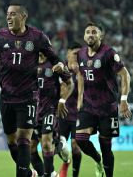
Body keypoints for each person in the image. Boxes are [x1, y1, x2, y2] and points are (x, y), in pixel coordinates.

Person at [0, 4, 65, 177]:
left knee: (24, 139)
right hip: (6, 98)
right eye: (7, 14)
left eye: (13, 14)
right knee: (12, 142)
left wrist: (59, 66)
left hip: (28, 97)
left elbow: (55, 59)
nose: (9, 17)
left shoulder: (38, 37)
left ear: (23, 16)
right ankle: (30, 174)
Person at [75, 22, 131, 177]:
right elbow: (81, 75)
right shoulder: (80, 54)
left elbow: (125, 75)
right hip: (88, 107)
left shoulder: (109, 53)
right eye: (87, 32)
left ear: (100, 36)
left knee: (106, 147)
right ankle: (97, 159)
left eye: (94, 32)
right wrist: (79, 97)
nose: (90, 34)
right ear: (84, 36)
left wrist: (124, 100)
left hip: (108, 108)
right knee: (80, 139)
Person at [30, 52, 73, 177]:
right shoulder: (29, 62)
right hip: (32, 111)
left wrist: (62, 100)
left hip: (50, 110)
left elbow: (69, 83)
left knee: (46, 143)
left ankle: (48, 174)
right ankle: (51, 173)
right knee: (31, 148)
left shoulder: (55, 63)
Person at [57, 42, 83, 177]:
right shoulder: (60, 69)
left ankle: (75, 175)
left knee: (75, 146)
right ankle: (67, 161)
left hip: (78, 115)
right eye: (74, 54)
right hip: (61, 114)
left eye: (79, 54)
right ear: (68, 53)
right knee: (59, 147)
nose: (77, 56)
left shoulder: (84, 71)